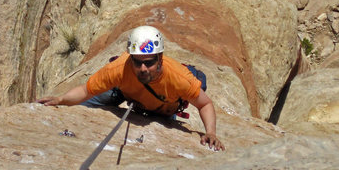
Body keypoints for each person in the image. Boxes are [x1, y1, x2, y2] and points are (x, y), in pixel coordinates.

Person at [37, 25, 225, 151]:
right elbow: (86, 91)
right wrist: (60, 101)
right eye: (137, 62)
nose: (143, 68)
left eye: (149, 62)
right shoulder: (120, 68)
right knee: (91, 101)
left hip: (162, 109)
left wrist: (210, 133)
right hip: (125, 92)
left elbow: (204, 104)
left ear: (160, 58)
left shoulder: (178, 77)